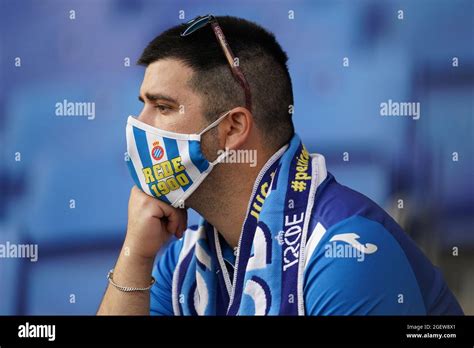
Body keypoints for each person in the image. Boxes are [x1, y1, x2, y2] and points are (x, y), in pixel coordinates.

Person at [97, 15, 463, 316]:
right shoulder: (182, 261)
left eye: (162, 107)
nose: (138, 123)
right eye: (142, 104)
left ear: (232, 128)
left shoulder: (346, 254)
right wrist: (136, 256)